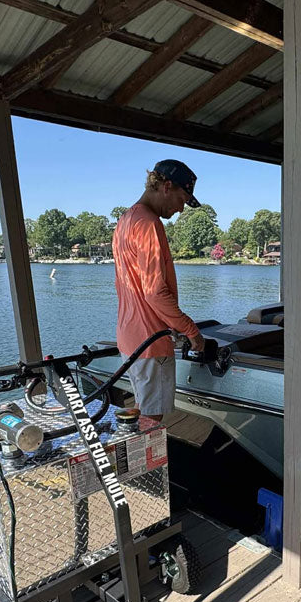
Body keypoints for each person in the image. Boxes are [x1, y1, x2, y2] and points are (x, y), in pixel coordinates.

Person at [112, 159, 206, 420]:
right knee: (151, 424)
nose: (180, 209)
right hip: (151, 340)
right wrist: (191, 330)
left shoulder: (125, 221)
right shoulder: (149, 224)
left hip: (129, 337)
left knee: (142, 416)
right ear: (166, 186)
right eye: (181, 199)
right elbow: (154, 292)